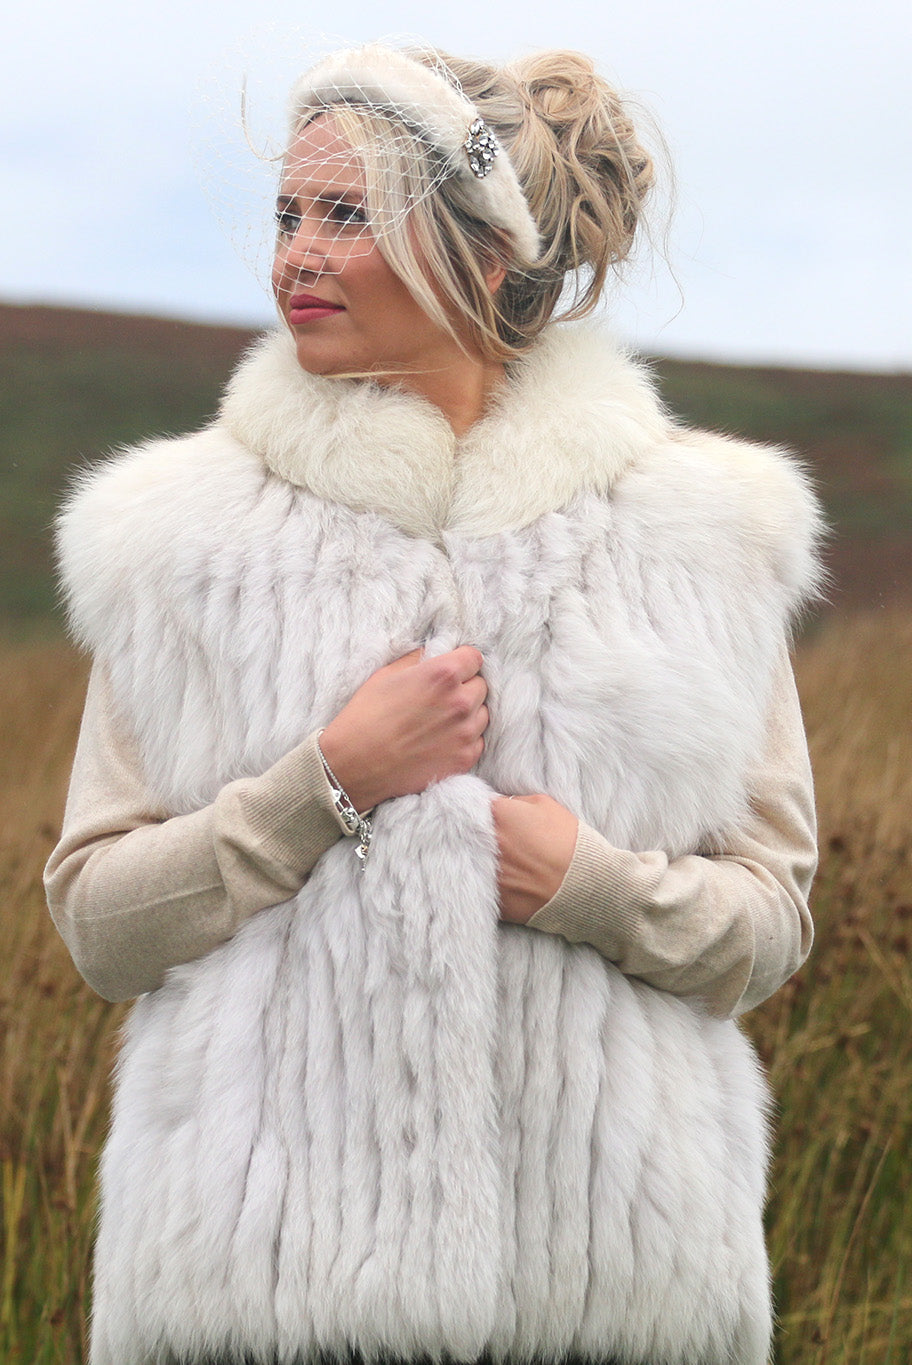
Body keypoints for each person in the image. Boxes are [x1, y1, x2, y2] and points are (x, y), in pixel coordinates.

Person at [45, 41, 820, 1365]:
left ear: (484, 249)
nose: (294, 251)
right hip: (258, 1304)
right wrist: (323, 785)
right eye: (287, 213)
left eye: (345, 213)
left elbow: (771, 924)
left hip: (614, 1305)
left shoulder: (706, 535)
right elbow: (97, 924)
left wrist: (588, 884)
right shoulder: (175, 540)